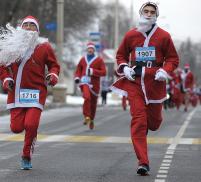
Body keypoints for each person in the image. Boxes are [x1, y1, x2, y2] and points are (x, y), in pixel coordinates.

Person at [109, 2, 179, 175]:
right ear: (141, 14)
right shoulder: (131, 35)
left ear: (156, 15)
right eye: (145, 11)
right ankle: (143, 162)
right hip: (135, 82)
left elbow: (173, 59)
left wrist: (165, 70)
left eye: (151, 12)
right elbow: (121, 54)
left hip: (155, 83)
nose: (148, 14)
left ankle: (148, 124)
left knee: (153, 124)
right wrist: (125, 67)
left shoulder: (164, 36)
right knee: (139, 120)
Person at [0, 15, 60, 170]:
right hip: (16, 93)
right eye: (25, 25)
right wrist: (6, 79)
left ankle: (26, 156)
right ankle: (26, 148)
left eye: (32, 25)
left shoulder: (44, 47)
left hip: (37, 94)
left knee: (31, 124)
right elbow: (2, 66)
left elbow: (54, 65)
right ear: (21, 28)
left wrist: (53, 76)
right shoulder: (11, 45)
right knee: (16, 128)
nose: (28, 27)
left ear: (37, 29)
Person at [74, 42, 106, 129]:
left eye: (92, 48)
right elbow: (78, 70)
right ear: (86, 50)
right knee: (87, 97)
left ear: (94, 50)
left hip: (94, 84)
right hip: (85, 83)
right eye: (89, 48)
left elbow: (104, 72)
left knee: (93, 103)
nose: (90, 50)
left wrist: (93, 71)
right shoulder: (82, 60)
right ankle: (87, 117)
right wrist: (77, 77)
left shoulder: (99, 60)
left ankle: (92, 119)